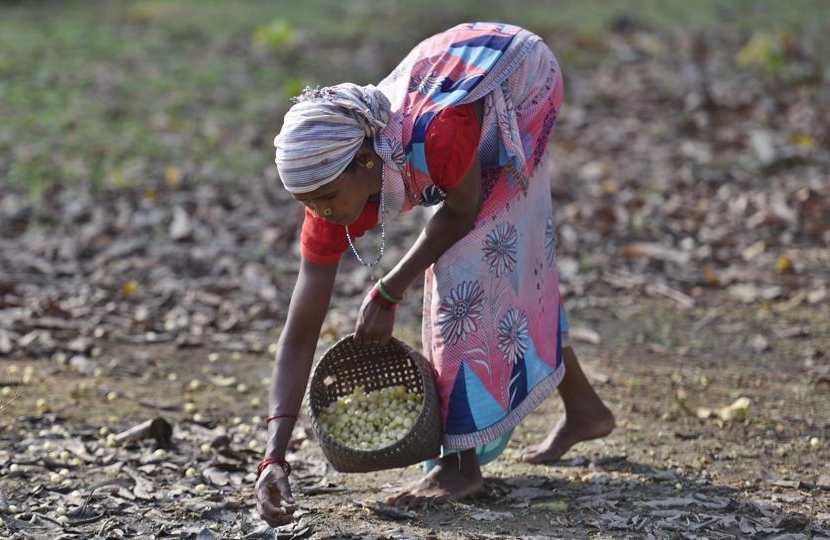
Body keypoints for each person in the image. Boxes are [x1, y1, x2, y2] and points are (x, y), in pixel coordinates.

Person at [255, 22, 614, 527]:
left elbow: (462, 210)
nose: (320, 212)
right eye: (306, 204)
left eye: (326, 198)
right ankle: (586, 410)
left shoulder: (436, 134)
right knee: (497, 269)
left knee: (465, 275)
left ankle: (458, 465)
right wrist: (274, 457)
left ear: (364, 161)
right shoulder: (332, 190)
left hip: (519, 76)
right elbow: (299, 330)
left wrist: (388, 290)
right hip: (458, 99)